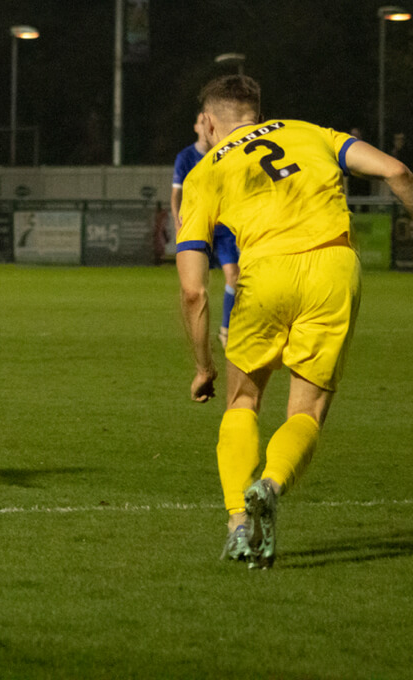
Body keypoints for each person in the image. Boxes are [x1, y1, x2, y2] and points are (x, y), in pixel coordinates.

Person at [176, 74, 413, 569]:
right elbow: (396, 171)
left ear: (212, 122)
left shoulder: (204, 172)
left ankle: (239, 520)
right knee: (305, 412)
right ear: (256, 113)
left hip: (264, 273)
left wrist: (203, 367)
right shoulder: (310, 132)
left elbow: (194, 290)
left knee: (243, 400)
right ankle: (273, 483)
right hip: (333, 267)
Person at [171, 112, 239, 347]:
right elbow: (176, 194)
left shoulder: (224, 154)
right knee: (196, 288)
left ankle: (227, 329)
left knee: (233, 275)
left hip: (224, 228)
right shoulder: (186, 157)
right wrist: (177, 221)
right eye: (201, 122)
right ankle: (198, 336)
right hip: (199, 227)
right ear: (197, 127)